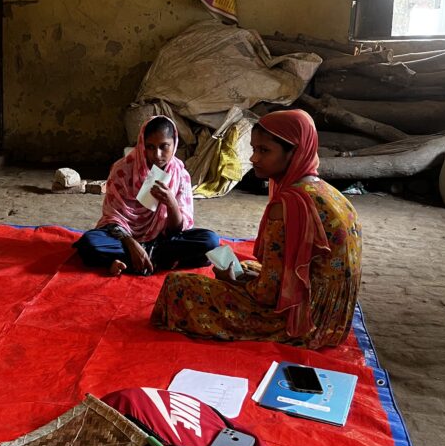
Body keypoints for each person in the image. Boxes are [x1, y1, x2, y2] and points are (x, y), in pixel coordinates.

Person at [151, 110, 362, 349]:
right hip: (335, 318)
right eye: (254, 149)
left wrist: (238, 282)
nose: (253, 159)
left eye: (264, 151)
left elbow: (268, 295)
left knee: (178, 286)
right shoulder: (329, 192)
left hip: (303, 321)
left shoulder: (289, 205)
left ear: (294, 152)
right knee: (248, 267)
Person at [73, 115, 220, 276]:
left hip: (163, 240)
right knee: (89, 242)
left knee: (210, 240)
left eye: (164, 146)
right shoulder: (122, 170)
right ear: (142, 144)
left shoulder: (180, 175)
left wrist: (171, 203)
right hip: (124, 238)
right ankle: (160, 261)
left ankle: (125, 262)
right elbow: (112, 219)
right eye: (150, 147)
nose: (157, 155)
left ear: (174, 144)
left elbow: (176, 230)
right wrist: (131, 244)